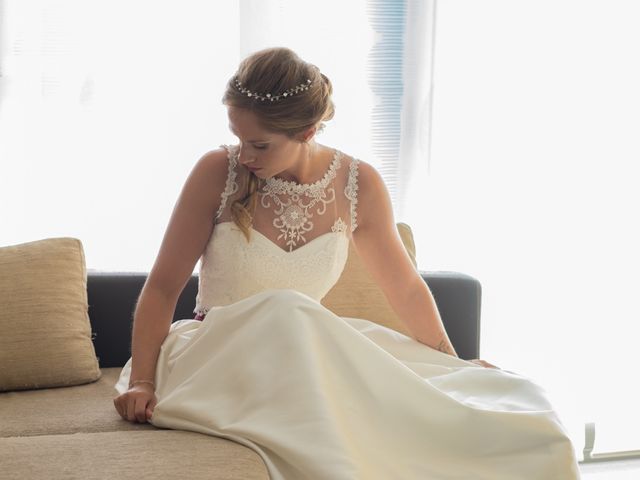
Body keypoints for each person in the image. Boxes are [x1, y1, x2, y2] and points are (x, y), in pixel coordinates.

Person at [113, 46, 579, 479]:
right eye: (238, 137)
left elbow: (405, 288)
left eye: (260, 144)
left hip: (302, 351)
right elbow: (162, 288)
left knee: (512, 415)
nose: (245, 155)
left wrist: (453, 365)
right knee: (288, 310)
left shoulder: (359, 185)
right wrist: (144, 381)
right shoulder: (218, 171)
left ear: (308, 132)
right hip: (215, 355)